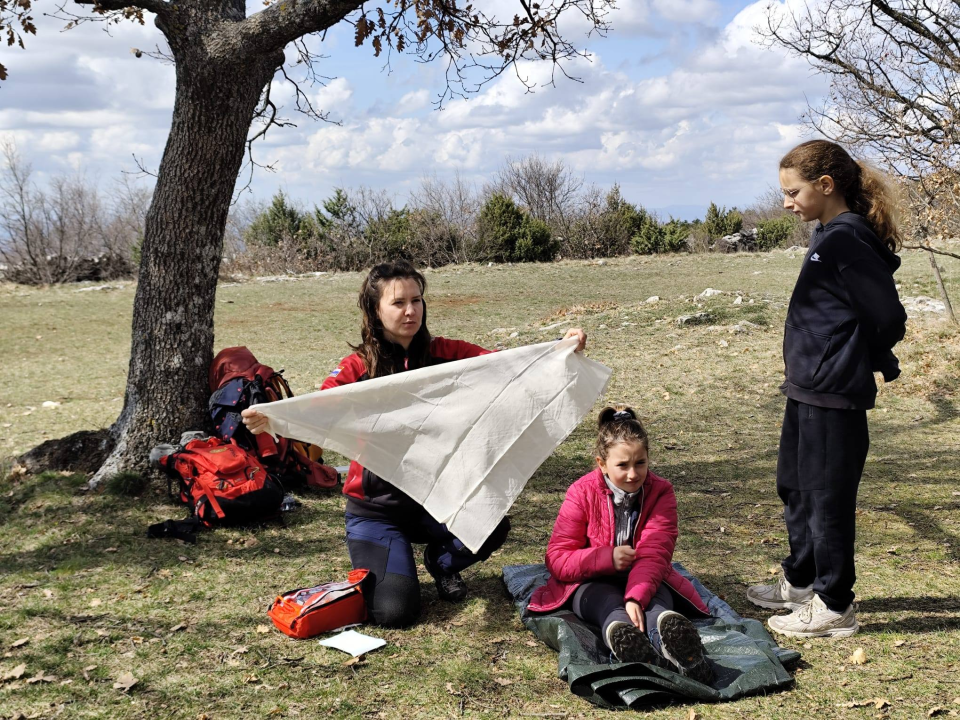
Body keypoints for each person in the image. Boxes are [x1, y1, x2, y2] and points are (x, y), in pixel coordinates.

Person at [243, 259, 587, 628]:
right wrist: (271, 416)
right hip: (376, 511)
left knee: (491, 525)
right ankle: (392, 564)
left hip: (436, 501)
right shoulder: (358, 368)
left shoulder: (447, 354)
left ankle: (441, 563)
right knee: (394, 612)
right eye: (398, 303)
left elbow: (509, 367)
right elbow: (316, 407)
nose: (410, 311)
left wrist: (560, 349)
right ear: (375, 310)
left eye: (416, 300)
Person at [747, 140, 907, 638]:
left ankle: (834, 605)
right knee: (795, 487)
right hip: (806, 387)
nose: (786, 202)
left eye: (793, 192)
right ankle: (801, 580)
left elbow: (888, 318)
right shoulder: (826, 235)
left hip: (833, 391)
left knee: (826, 498)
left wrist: (851, 354)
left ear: (825, 185)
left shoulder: (847, 240)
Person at [527, 405, 713, 684]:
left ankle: (677, 645)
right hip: (590, 581)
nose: (633, 474)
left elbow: (655, 552)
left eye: (640, 463)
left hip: (645, 577)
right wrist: (606, 558)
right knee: (607, 605)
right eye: (622, 465)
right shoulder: (581, 492)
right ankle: (623, 637)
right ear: (602, 464)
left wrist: (636, 597)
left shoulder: (661, 492)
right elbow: (558, 558)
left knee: (656, 604)